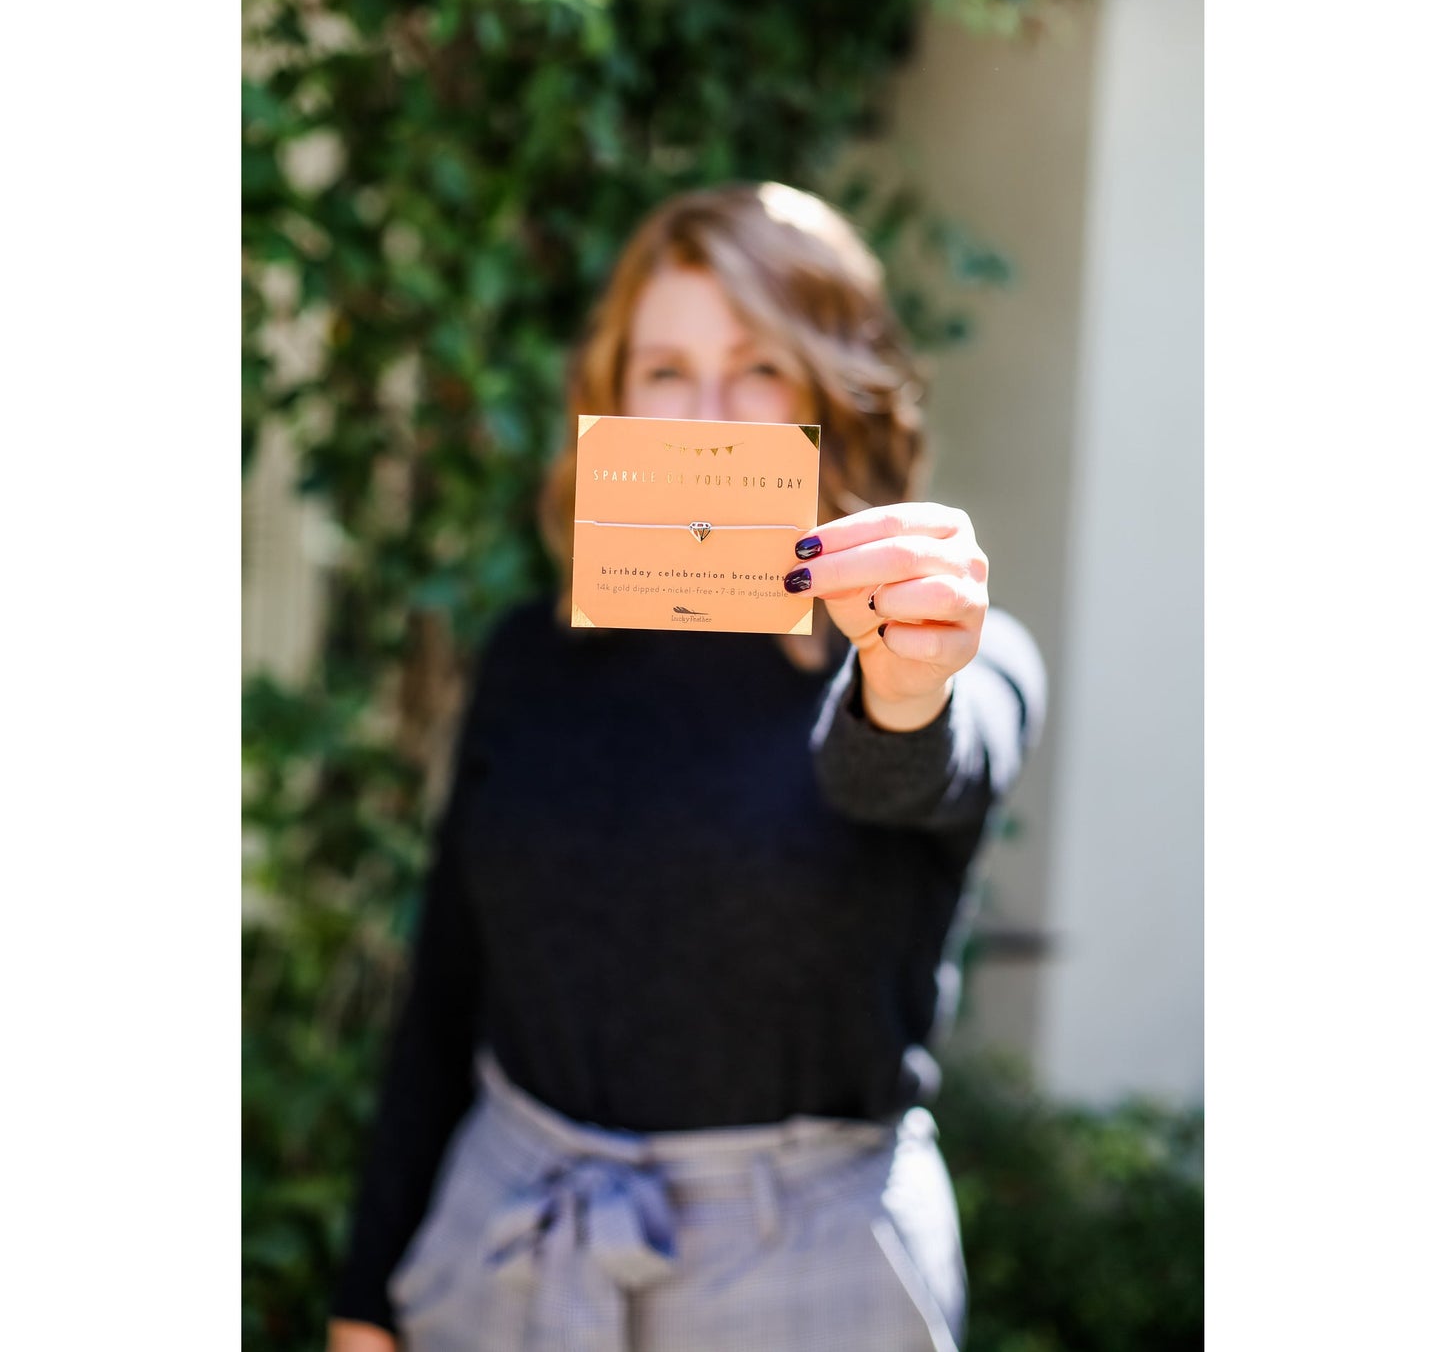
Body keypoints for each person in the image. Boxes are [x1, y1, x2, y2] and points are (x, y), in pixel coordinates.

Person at [325, 182, 1046, 1352]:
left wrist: (905, 685)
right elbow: (450, 984)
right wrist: (366, 1299)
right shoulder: (532, 655)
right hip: (500, 1246)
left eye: (756, 365)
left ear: (833, 385)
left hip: (804, 1281)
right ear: (612, 399)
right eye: (663, 370)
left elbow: (913, 768)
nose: (707, 408)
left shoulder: (960, 660)